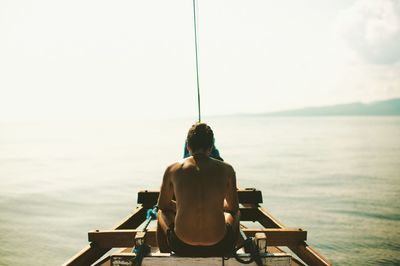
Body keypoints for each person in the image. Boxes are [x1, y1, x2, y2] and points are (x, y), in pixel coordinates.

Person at [157, 122, 240, 256]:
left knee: (161, 212)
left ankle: (164, 254)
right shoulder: (227, 169)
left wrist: (182, 206)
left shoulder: (172, 169)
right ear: (211, 147)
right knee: (236, 213)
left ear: (188, 146)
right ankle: (231, 251)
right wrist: (216, 204)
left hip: (181, 245)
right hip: (219, 245)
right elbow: (234, 207)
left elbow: (162, 204)